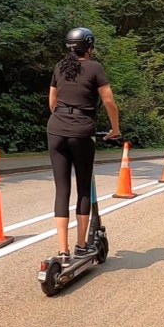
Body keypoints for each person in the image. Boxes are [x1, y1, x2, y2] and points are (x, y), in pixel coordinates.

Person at [47, 27, 121, 266]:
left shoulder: (60, 67)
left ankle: (62, 251)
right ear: (89, 46)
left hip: (56, 129)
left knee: (62, 189)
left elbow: (52, 102)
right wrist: (115, 128)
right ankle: (81, 246)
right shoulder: (95, 68)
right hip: (82, 131)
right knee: (83, 189)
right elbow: (108, 101)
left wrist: (62, 120)